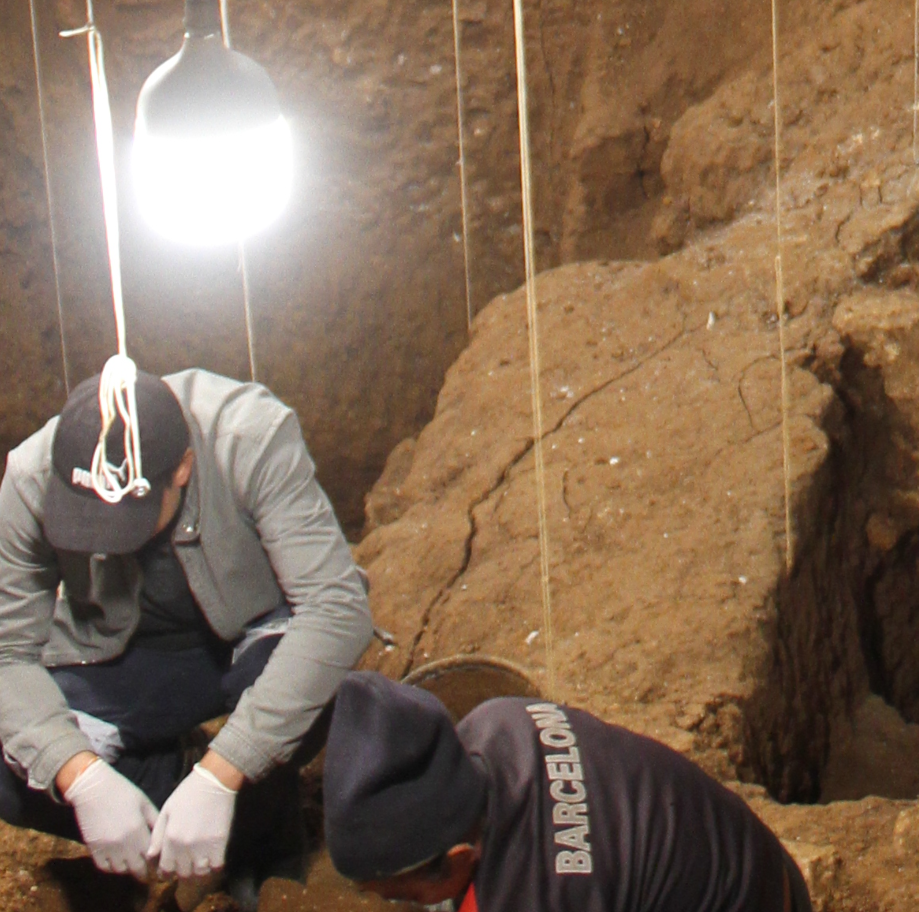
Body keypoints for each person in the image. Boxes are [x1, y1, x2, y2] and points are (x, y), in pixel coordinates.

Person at [0, 358, 374, 904]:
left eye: (124, 519)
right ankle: (182, 803)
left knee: (307, 692)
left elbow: (336, 609)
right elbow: (9, 653)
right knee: (14, 762)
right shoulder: (31, 481)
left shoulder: (246, 435)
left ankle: (256, 846)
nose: (105, 540)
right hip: (127, 657)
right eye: (86, 520)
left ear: (182, 468)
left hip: (251, 635)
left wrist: (225, 772)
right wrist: (77, 774)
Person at [325, 668, 810, 912]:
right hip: (756, 862)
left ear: (456, 859)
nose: (396, 903)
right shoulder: (497, 722)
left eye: (403, 897)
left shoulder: (533, 897)